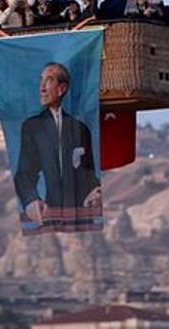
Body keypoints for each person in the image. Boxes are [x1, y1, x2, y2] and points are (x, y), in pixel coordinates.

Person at [14, 62, 102, 223]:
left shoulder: (80, 128)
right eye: (41, 81)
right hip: (50, 215)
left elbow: (88, 172)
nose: (42, 88)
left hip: (80, 215)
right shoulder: (32, 127)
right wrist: (31, 200)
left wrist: (95, 191)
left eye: (48, 81)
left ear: (62, 89)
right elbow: (24, 173)